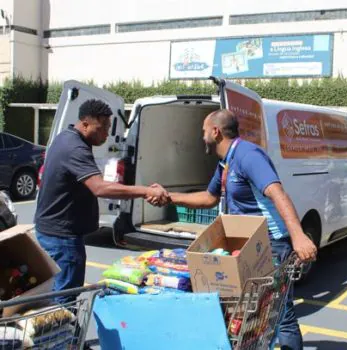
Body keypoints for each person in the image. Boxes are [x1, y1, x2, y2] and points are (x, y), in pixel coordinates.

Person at [160, 109, 317, 350]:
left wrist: (298, 236)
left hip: (271, 245)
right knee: (250, 316)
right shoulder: (226, 162)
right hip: (248, 247)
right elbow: (209, 198)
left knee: (279, 316)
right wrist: (169, 197)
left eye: (203, 131)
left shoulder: (248, 155)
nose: (202, 137)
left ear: (215, 132)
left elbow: (277, 193)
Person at [34, 99, 169, 303]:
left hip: (53, 232)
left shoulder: (65, 138)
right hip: (62, 237)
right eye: (103, 127)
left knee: (59, 293)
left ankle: (59, 332)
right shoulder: (75, 148)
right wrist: (145, 191)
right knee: (64, 298)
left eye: (108, 127)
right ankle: (62, 334)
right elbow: (100, 188)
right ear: (85, 123)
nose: (107, 133)